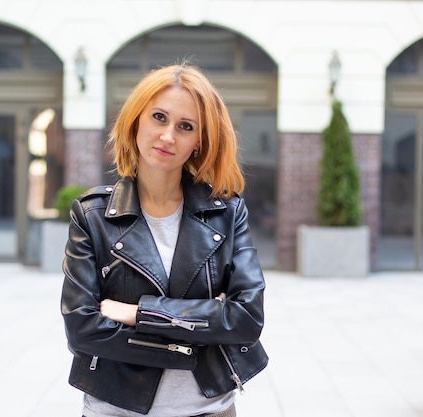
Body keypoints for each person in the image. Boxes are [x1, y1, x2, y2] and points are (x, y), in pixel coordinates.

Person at [61, 62, 268, 417]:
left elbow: (247, 317)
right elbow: (83, 330)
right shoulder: (92, 216)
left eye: (185, 126)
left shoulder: (228, 213)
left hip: (211, 410)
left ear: (199, 141)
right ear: (137, 119)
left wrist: (136, 313)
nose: (168, 136)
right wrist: (201, 331)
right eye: (159, 117)